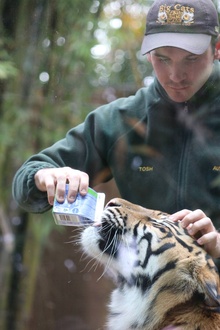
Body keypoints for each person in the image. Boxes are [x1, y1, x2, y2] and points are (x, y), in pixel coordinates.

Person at [13, 0, 220, 263]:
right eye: (163, 58)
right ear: (147, 54)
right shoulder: (121, 120)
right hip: (150, 296)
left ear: (217, 49)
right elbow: (26, 181)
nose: (175, 75)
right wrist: (47, 176)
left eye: (190, 59)